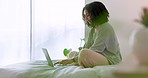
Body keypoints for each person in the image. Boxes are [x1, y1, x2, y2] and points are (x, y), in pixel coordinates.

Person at [55, 1, 122, 68]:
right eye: (85, 16)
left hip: (110, 59)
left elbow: (96, 49)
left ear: (97, 14)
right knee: (71, 53)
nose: (87, 18)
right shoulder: (94, 29)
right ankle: (78, 62)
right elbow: (86, 47)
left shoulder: (105, 27)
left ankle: (78, 62)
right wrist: (72, 58)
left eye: (89, 15)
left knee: (83, 53)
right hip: (99, 56)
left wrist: (72, 60)